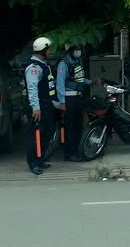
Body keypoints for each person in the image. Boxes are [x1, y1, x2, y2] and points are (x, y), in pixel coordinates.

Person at [25, 36, 57, 175]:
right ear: (43, 49)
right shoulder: (34, 67)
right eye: (48, 48)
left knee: (48, 133)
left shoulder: (44, 65)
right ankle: (33, 163)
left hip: (47, 105)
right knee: (36, 135)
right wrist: (35, 108)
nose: (50, 51)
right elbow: (32, 88)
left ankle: (40, 159)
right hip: (38, 107)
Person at [57, 43, 92, 162]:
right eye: (76, 49)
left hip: (78, 97)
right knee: (70, 127)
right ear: (70, 50)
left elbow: (79, 78)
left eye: (79, 49)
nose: (78, 51)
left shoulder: (77, 62)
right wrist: (62, 102)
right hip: (69, 98)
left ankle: (76, 151)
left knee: (78, 127)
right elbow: (60, 83)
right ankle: (69, 153)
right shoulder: (64, 63)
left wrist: (91, 82)